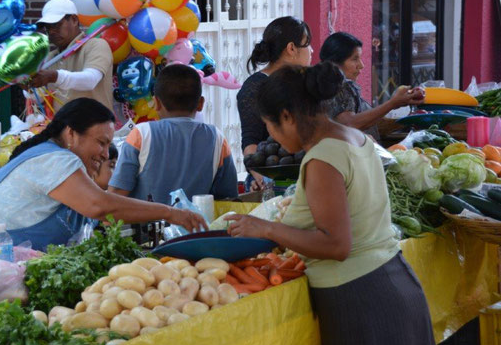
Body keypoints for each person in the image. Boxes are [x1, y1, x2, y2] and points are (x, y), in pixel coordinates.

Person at [225, 63, 437, 345]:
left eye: (269, 126)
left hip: (363, 297)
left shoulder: (323, 158)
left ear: (286, 116)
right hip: (393, 280)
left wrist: (266, 229)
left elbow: (336, 245)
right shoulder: (356, 138)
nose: (270, 135)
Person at [0, 98, 207, 275]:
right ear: (71, 133)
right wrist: (169, 213)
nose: (104, 153)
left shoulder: (56, 157)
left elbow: (100, 203)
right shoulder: (54, 159)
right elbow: (99, 205)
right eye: (100, 142)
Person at [109, 64, 238, 205]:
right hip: (197, 226)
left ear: (156, 103)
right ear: (200, 104)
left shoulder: (141, 134)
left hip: (146, 226)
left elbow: (115, 196)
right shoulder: (217, 139)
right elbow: (229, 199)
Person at [237, 16, 313, 191]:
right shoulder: (256, 86)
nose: (312, 50)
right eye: (307, 44)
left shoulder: (302, 82)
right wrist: (264, 179)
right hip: (278, 183)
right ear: (292, 48)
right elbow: (250, 142)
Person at [320, 32, 425, 141]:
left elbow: (365, 123)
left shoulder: (328, 85)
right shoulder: (340, 86)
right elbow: (349, 124)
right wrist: (393, 103)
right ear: (334, 62)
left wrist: (399, 107)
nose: (361, 65)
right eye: (355, 59)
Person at [28, 0, 114, 112]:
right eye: (47, 28)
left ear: (74, 20)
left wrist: (54, 76)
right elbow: (42, 98)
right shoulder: (50, 58)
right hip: (63, 128)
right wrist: (29, 87)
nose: (51, 32)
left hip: (96, 127)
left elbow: (91, 80)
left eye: (56, 25)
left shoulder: (96, 45)